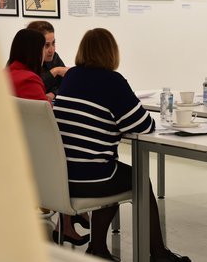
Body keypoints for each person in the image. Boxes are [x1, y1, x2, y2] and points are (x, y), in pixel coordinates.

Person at [53, 28, 190, 262]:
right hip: (91, 178)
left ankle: (97, 248)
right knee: (139, 180)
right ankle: (158, 253)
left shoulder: (72, 76)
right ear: (111, 52)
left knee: (115, 172)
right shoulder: (112, 81)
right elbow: (143, 125)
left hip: (61, 176)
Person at [5, 29, 89, 247]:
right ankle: (72, 219)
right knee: (73, 153)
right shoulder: (29, 79)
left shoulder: (7, 74)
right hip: (38, 158)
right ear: (34, 51)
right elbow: (47, 121)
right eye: (44, 46)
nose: (48, 51)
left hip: (17, 150)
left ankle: (71, 220)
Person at [26, 20, 69, 102]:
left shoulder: (54, 57)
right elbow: (33, 87)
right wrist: (54, 71)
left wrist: (53, 93)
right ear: (34, 45)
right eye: (47, 45)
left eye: (53, 43)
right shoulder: (21, 61)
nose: (51, 50)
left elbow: (65, 83)